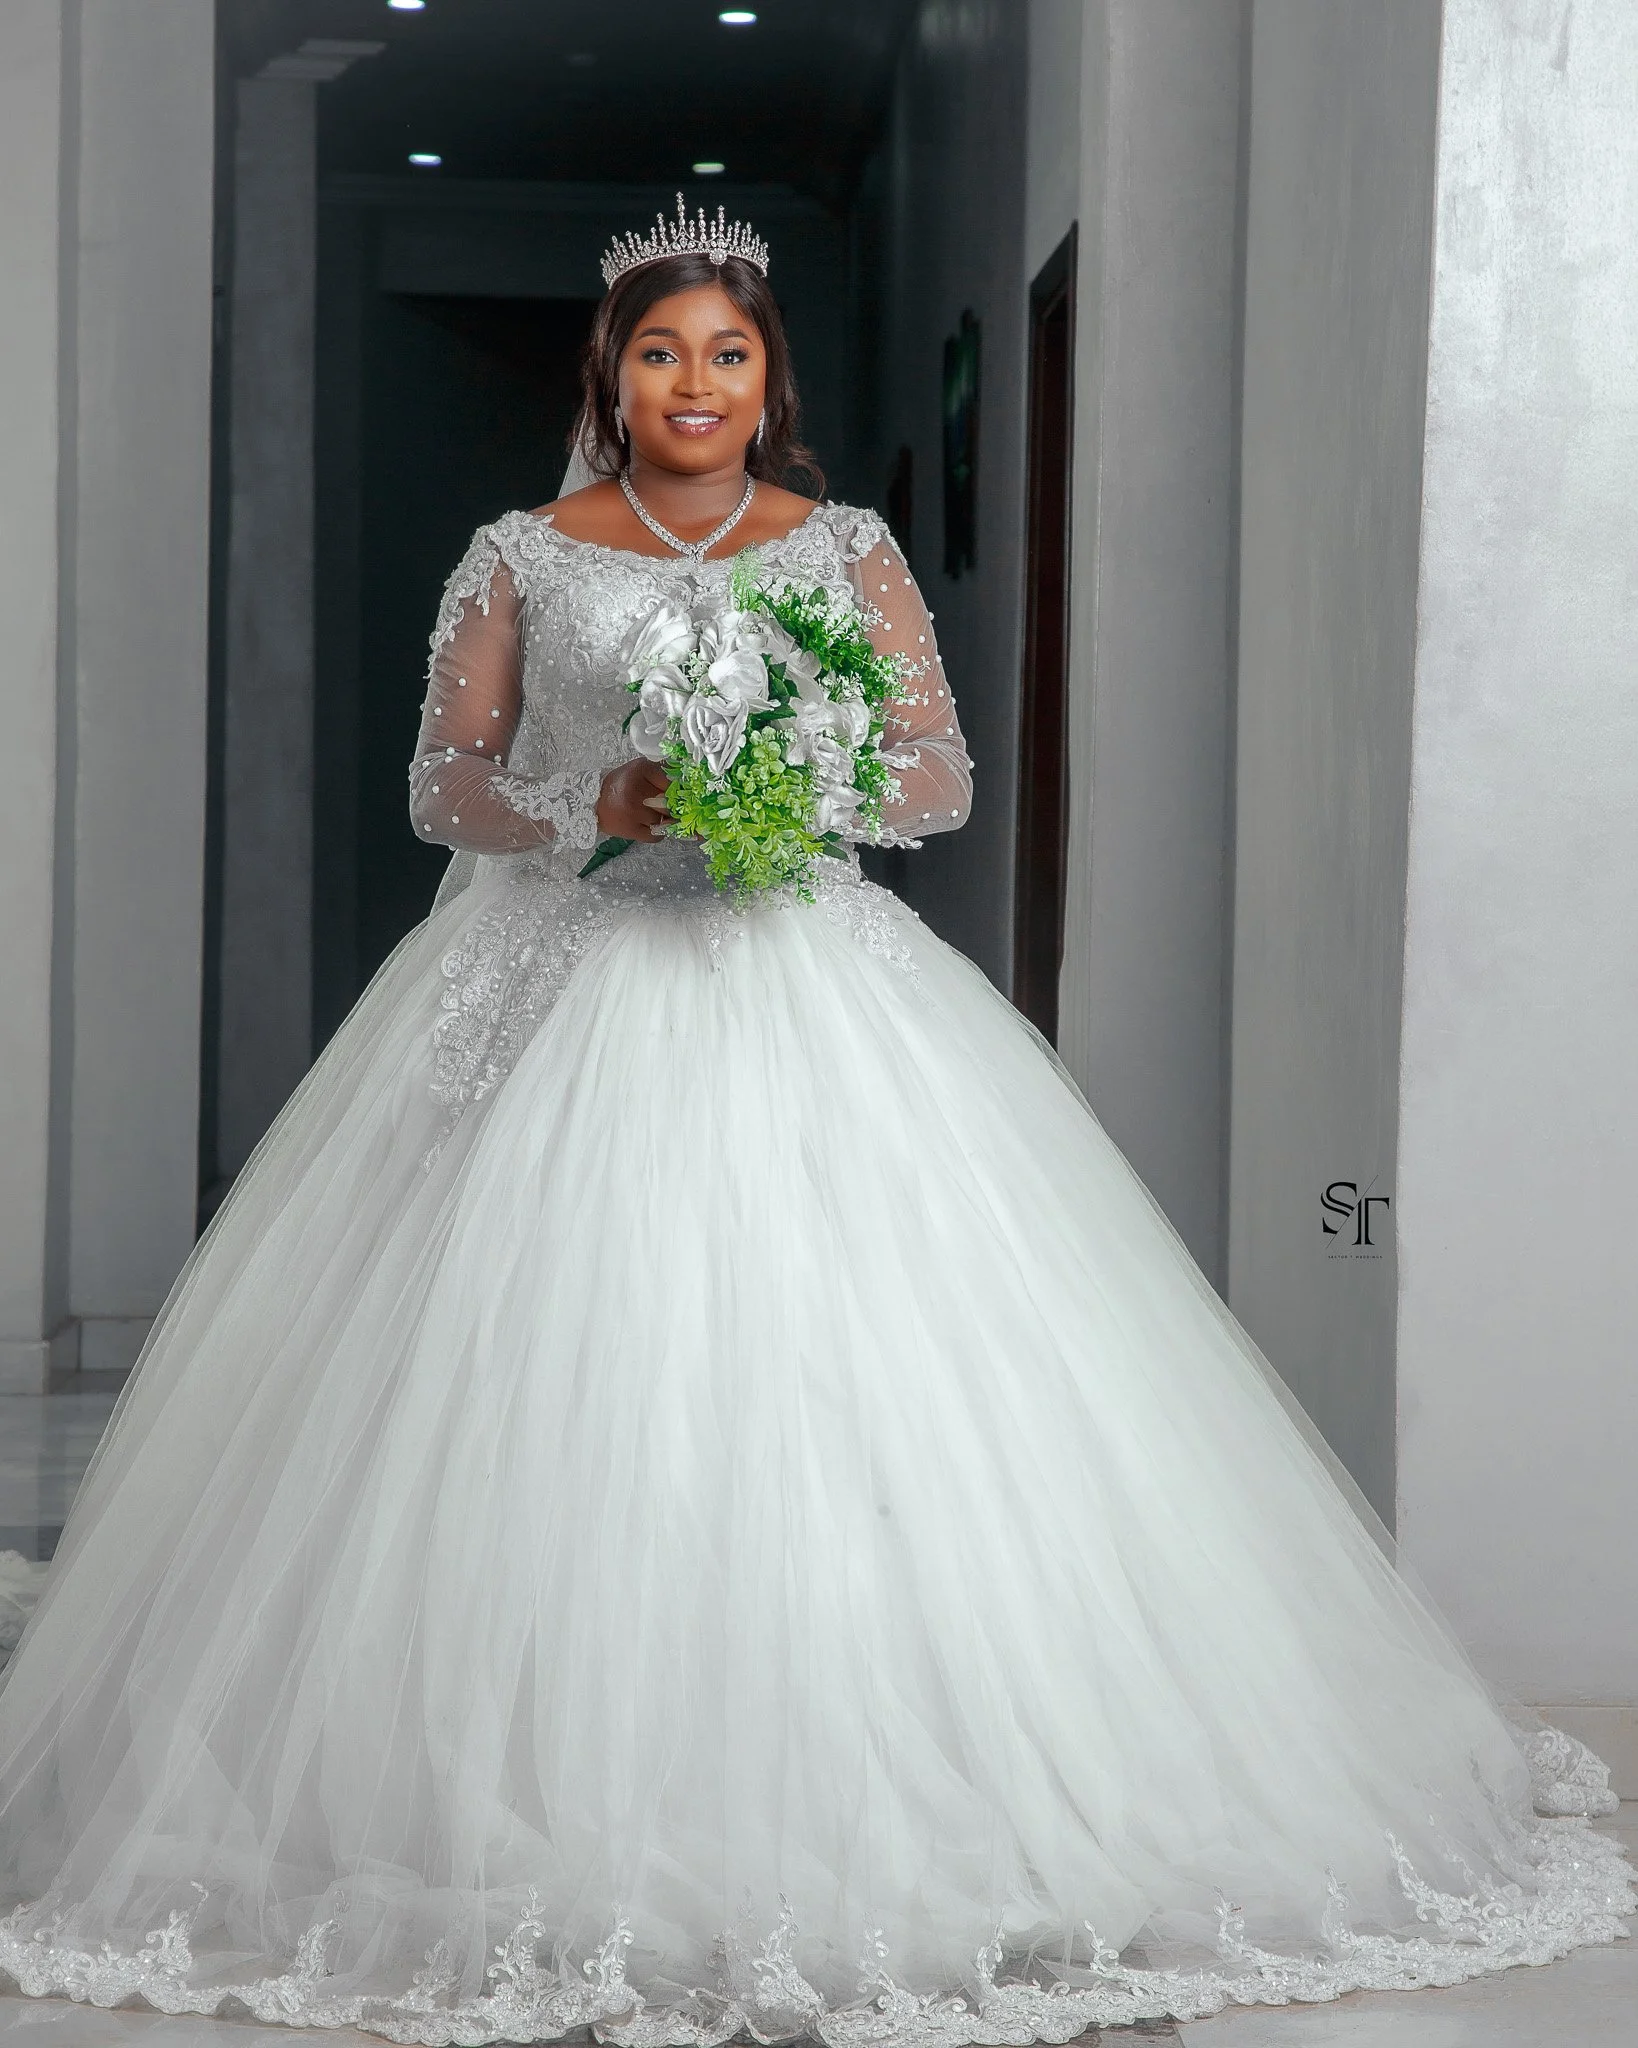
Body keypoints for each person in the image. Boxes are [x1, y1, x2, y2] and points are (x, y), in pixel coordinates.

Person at [0, 197, 1629, 2047]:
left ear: (769, 376)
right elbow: (444, 784)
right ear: (610, 374)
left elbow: (937, 770)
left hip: (807, 973)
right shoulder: (523, 553)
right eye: (659, 351)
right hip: (577, 977)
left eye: (728, 351)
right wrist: (591, 798)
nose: (692, 383)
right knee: (535, 1369)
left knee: (872, 1370)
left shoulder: (843, 547)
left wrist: (805, 777)